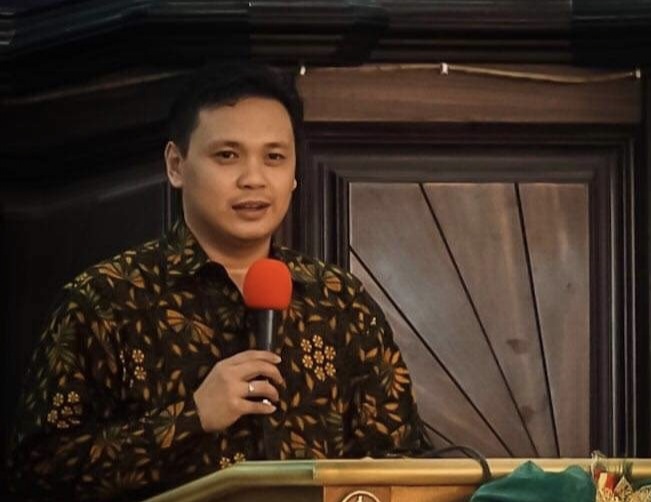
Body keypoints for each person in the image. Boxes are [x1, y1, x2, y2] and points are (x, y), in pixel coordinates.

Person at [8, 63, 430, 501]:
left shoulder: (339, 300)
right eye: (228, 155)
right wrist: (192, 416)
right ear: (176, 165)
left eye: (274, 157)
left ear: (294, 173)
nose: (253, 179)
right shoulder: (105, 299)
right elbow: (36, 474)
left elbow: (406, 463)